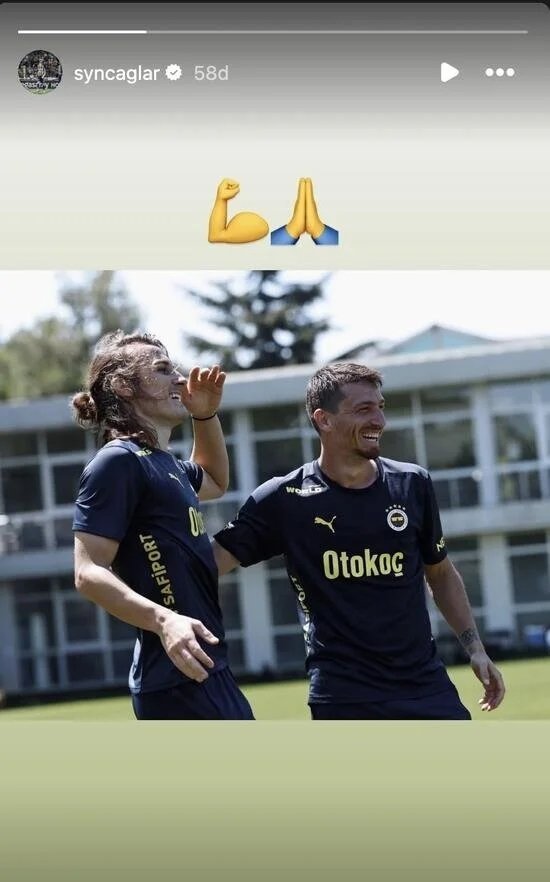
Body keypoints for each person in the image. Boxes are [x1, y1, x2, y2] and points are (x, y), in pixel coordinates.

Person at [212, 362, 505, 720]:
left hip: (425, 687)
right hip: (343, 697)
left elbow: (440, 573)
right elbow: (206, 565)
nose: (379, 420)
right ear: (324, 419)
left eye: (380, 407)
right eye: (364, 409)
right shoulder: (284, 498)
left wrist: (475, 648)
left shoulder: (412, 484)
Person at [72, 330, 254, 720]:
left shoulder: (165, 463)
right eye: (162, 369)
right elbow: (87, 573)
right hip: (174, 681)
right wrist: (164, 620)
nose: (180, 378)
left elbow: (215, 480)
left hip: (203, 667)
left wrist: (205, 414)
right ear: (123, 386)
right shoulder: (118, 461)